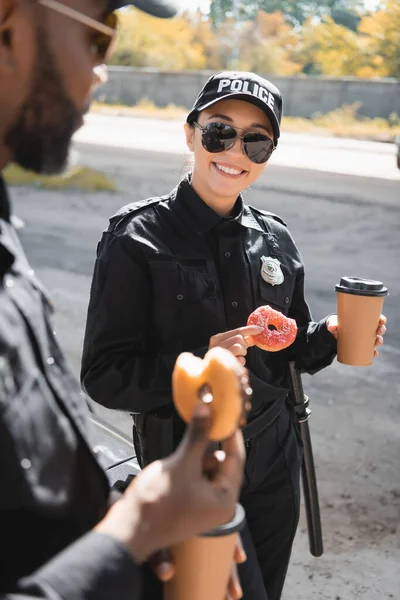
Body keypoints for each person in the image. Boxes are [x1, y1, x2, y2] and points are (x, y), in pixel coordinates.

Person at [81, 70, 388, 600]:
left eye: (256, 140)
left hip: (273, 456)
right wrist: (201, 362)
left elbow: (289, 349)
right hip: (182, 458)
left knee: (261, 591)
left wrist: (332, 337)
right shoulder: (136, 238)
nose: (234, 151)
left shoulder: (275, 238)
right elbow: (105, 377)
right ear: (190, 133)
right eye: (219, 131)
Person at [0, 2, 247, 599]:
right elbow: (105, 376)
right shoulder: (135, 234)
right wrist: (137, 528)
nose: (102, 71)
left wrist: (120, 499)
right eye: (100, 32)